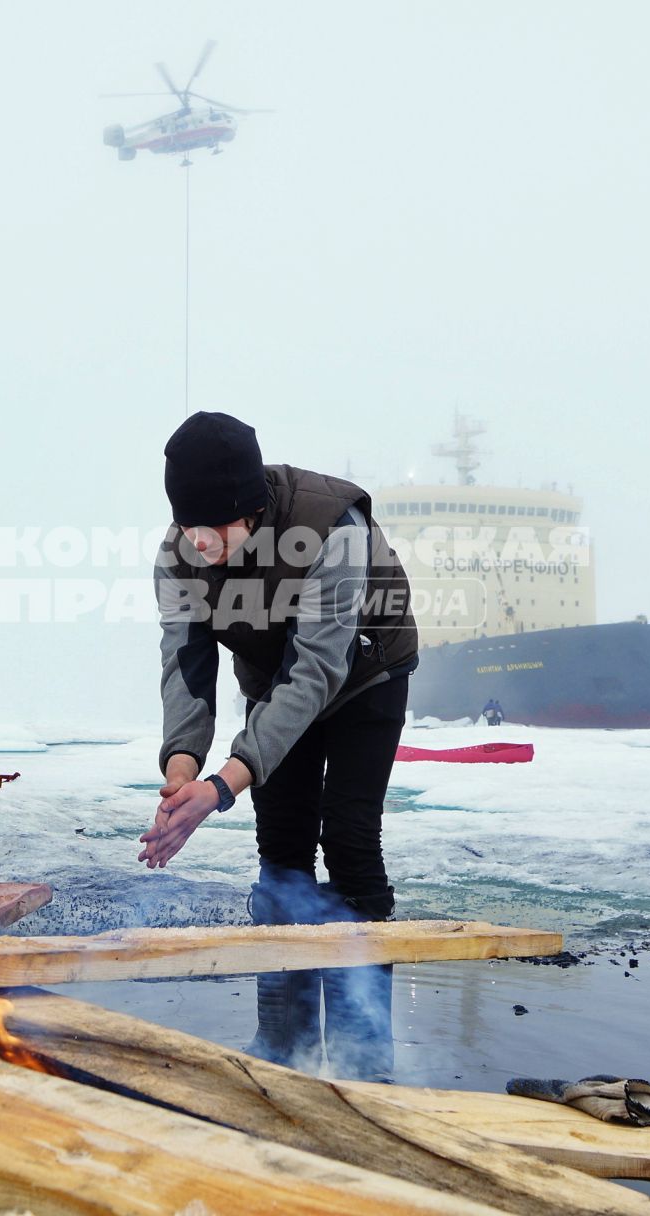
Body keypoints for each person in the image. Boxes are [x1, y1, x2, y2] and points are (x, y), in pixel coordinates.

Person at [138, 412, 419, 1078]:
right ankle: (286, 1045)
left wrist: (225, 784)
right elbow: (185, 661)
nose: (198, 543)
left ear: (253, 512)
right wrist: (183, 771)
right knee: (282, 853)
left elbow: (318, 669)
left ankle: (362, 1056)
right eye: (187, 527)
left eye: (213, 530)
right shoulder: (180, 552)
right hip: (274, 678)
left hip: (365, 673)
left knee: (348, 840)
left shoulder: (331, 529)